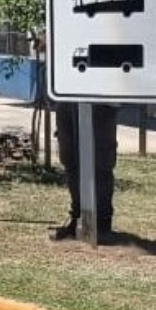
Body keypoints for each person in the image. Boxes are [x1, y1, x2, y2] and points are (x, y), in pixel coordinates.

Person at [49, 101, 119, 241]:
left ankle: (101, 223)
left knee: (99, 160)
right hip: (67, 96)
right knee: (70, 157)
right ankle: (78, 218)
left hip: (99, 99)